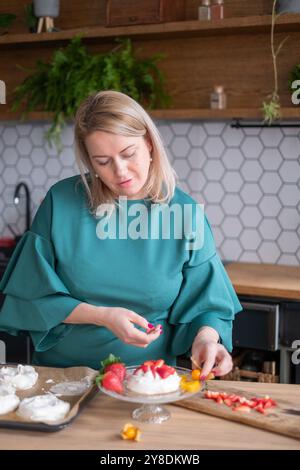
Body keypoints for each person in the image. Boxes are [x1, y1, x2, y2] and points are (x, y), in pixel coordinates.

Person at [0, 90, 242, 379]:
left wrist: (206, 340)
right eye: (102, 161)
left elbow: (208, 303)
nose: (120, 171)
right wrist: (102, 316)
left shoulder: (185, 214)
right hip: (64, 379)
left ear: (150, 144)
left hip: (147, 381)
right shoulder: (60, 203)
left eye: (128, 154)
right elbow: (31, 294)